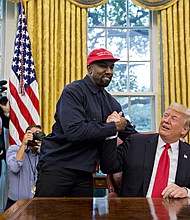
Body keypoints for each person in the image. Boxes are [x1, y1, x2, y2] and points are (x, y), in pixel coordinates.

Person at [35, 48, 137, 198]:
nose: (109, 71)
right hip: (58, 167)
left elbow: (130, 134)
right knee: (46, 215)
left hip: (85, 172)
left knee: (82, 215)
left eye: (111, 67)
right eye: (103, 66)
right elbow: (74, 132)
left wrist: (156, 142)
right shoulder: (73, 92)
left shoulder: (111, 103)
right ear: (90, 68)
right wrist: (112, 127)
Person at [99, 102, 190, 198]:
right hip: (136, 209)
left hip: (173, 210)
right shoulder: (135, 142)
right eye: (165, 115)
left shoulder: (188, 153)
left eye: (174, 119)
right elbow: (108, 166)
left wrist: (186, 191)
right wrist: (110, 131)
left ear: (184, 130)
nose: (166, 120)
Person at [5, 125, 44, 210]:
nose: (36, 137)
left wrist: (44, 148)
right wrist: (24, 144)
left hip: (36, 204)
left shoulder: (42, 153)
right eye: (34, 134)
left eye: (39, 134)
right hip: (15, 204)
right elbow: (14, 167)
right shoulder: (14, 149)